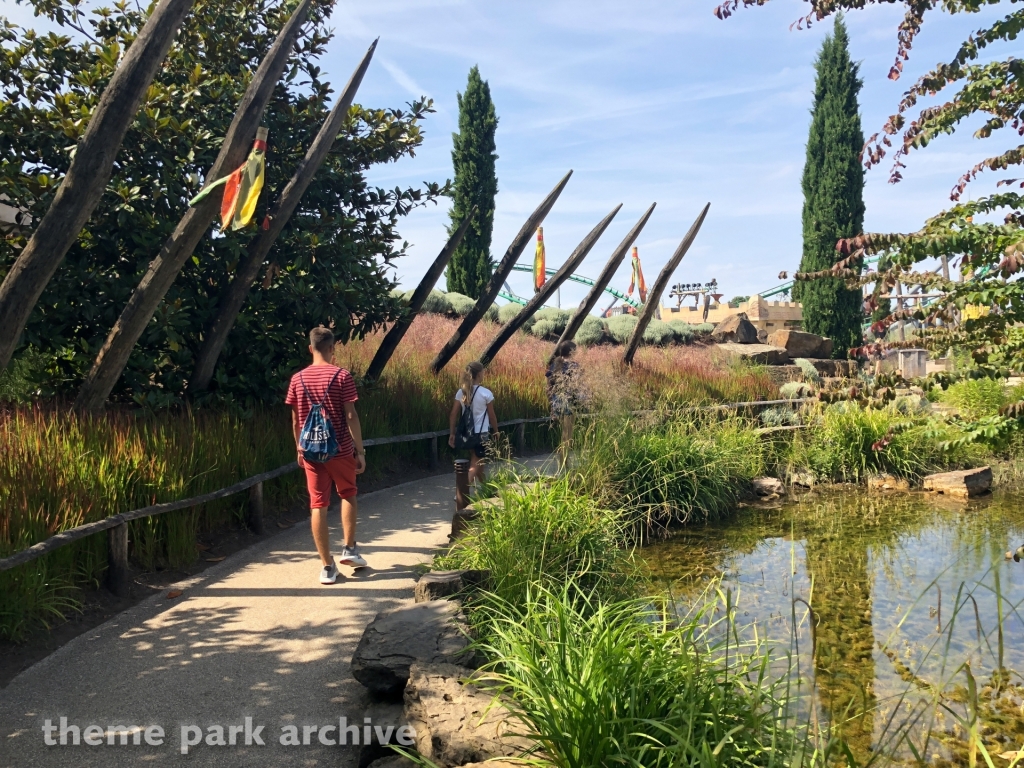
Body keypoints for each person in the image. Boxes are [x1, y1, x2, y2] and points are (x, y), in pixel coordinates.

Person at [285, 326, 366, 585]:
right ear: (332, 349)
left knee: (318, 504)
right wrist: (360, 450)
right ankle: (350, 548)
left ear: (310, 348)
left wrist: (299, 447)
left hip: (310, 450)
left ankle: (327, 567)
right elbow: (350, 415)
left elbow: (297, 420)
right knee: (348, 493)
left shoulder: (297, 379)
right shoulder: (342, 376)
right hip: (340, 448)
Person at [448, 361, 497, 486]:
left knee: (479, 462)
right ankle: (461, 491)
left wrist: (452, 433)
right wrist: (496, 431)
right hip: (482, 433)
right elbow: (492, 415)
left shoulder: (462, 392)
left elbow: (453, 414)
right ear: (480, 374)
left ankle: (488, 489)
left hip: (467, 433)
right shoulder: (486, 393)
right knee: (475, 464)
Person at [547, 340, 582, 462]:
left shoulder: (555, 364)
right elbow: (577, 385)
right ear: (571, 351)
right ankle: (563, 460)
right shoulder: (574, 365)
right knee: (568, 433)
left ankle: (563, 459)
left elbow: (549, 386)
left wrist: (551, 403)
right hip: (569, 401)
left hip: (557, 400)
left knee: (564, 431)